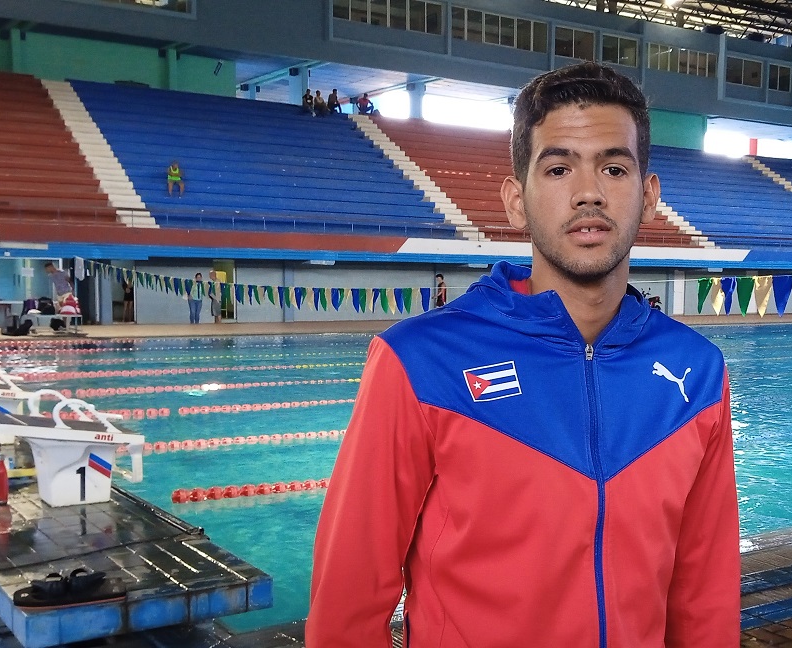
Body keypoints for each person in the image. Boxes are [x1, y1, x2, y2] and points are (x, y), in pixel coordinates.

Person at [306, 62, 740, 647]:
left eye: (614, 167)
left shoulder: (698, 373)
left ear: (649, 194)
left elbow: (704, 600)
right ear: (517, 200)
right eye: (558, 168)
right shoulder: (419, 364)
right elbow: (346, 607)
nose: (588, 192)